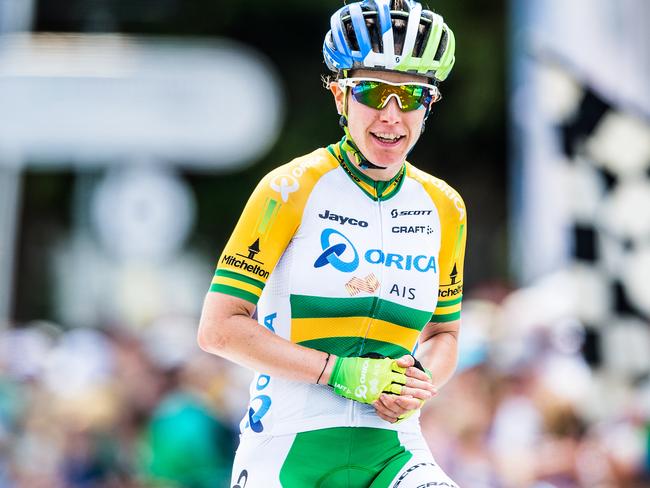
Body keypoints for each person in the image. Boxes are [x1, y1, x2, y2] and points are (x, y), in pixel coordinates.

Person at [198, 0, 466, 486]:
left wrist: (415, 381)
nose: (391, 115)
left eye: (411, 97)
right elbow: (218, 330)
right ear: (340, 97)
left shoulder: (445, 207)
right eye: (372, 91)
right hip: (286, 449)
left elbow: (444, 336)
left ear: (429, 105)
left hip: (395, 449)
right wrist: (341, 373)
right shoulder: (290, 188)